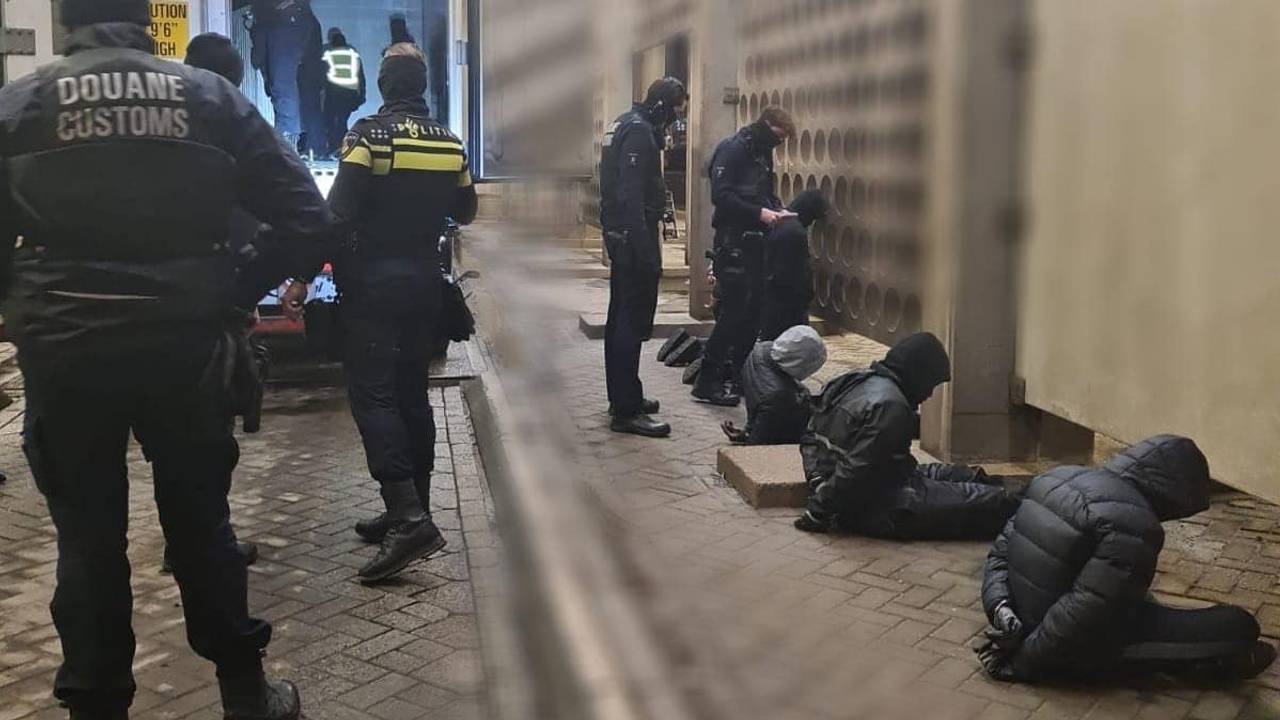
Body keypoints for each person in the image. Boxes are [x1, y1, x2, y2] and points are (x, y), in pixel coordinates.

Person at [0, 1, 333, 718]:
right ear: (148, 23)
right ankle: (246, 697)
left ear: (64, 24)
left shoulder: (22, 102)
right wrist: (233, 291)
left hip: (66, 351)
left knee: (87, 538)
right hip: (185, 346)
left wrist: (24, 308)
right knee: (201, 525)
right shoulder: (208, 99)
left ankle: (96, 706)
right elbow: (306, 216)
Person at [290, 43, 478, 584]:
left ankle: (407, 517)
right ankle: (412, 504)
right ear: (420, 86)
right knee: (411, 393)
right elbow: (464, 210)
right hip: (424, 286)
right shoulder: (449, 141)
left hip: (371, 289)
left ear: (384, 86)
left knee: (372, 396)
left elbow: (336, 212)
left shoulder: (367, 136)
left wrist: (302, 274)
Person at [978, 435, 1277, 684]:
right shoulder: (1134, 524)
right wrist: (1024, 662)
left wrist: (1002, 609)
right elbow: (1088, 610)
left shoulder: (1057, 477)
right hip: (1057, 643)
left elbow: (1000, 554)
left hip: (1020, 619)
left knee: (1136, 598)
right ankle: (1207, 666)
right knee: (1238, 626)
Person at [794, 333, 1020, 538]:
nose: (930, 394)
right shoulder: (892, 407)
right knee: (992, 502)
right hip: (882, 505)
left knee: (965, 475)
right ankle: (1029, 503)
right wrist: (819, 511)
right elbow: (857, 468)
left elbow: (810, 434)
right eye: (930, 384)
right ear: (917, 374)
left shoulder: (853, 380)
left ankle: (1020, 490)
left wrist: (816, 480)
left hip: (882, 481)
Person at [598, 77, 687, 438]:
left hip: (621, 236)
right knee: (631, 323)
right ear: (664, 105)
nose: (674, 122)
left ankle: (623, 395)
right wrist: (646, 250)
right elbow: (631, 194)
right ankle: (626, 410)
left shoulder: (624, 122)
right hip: (633, 237)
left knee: (619, 318)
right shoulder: (639, 133)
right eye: (676, 111)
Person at [693, 107, 797, 407]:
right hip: (733, 242)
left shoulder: (760, 152)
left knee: (752, 317)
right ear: (766, 125)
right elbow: (721, 197)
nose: (778, 143)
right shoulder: (733, 149)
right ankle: (707, 381)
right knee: (732, 316)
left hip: (756, 244)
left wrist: (777, 209)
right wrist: (759, 213)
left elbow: (763, 192)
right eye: (777, 136)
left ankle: (739, 378)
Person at [722, 325, 826, 446]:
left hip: (764, 418)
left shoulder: (761, 350)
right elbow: (757, 447)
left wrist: (747, 432)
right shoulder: (780, 396)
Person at [758, 190, 828, 342]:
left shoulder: (779, 222)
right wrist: (807, 295)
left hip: (771, 299)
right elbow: (798, 272)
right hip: (787, 304)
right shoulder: (795, 231)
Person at [250, 0, 319, 147]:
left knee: (284, 91)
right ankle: (297, 140)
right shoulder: (303, 18)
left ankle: (287, 137)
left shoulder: (281, 22)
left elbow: (260, 57)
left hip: (287, 75)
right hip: (302, 73)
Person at [321, 27, 367, 157]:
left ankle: (334, 148)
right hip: (350, 94)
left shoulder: (327, 52)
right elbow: (360, 76)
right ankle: (343, 149)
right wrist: (362, 95)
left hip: (333, 93)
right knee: (342, 122)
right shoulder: (353, 53)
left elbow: (321, 74)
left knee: (330, 123)